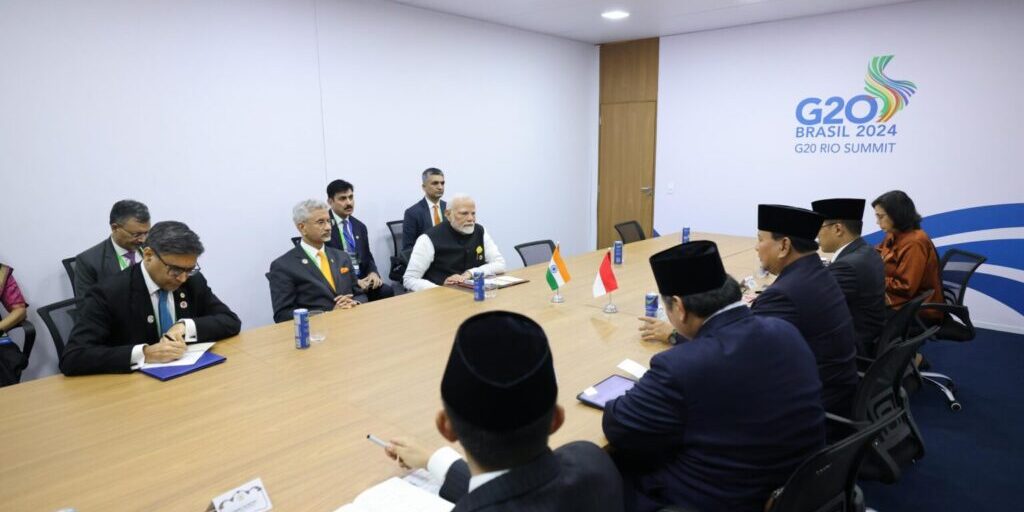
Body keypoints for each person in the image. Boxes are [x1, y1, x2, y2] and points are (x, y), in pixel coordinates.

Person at [604, 241, 825, 512]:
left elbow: (620, 426)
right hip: (796, 491)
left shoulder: (679, 368)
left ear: (679, 306)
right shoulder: (785, 331)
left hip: (717, 500)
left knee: (597, 465)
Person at [382, 311, 624, 511]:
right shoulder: (592, 462)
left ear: (446, 426)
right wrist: (434, 461)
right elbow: (514, 490)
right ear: (557, 419)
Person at [60, 221, 241, 376]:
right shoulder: (109, 293)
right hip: (132, 392)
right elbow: (73, 357)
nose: (183, 278)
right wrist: (145, 353)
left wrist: (184, 326)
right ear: (148, 256)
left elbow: (230, 321)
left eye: (190, 269)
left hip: (186, 382)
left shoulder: (192, 282)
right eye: (175, 270)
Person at [751, 204, 858, 415]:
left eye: (760, 239)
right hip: (840, 386)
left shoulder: (782, 294)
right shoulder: (818, 272)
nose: (756, 247)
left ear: (784, 246)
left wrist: (675, 335)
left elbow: (741, 350)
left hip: (812, 401)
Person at [812, 198, 887, 356]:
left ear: (838, 229)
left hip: (854, 347)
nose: (816, 234)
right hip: (873, 334)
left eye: (819, 227)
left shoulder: (847, 267)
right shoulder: (866, 251)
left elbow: (814, 307)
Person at [268, 200, 359, 323]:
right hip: (316, 333)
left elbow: (359, 294)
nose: (328, 227)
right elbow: (282, 315)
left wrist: (355, 303)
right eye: (320, 222)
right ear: (302, 227)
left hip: (351, 323)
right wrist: (329, 314)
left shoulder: (342, 257)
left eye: (328, 221)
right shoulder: (283, 266)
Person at [403, 194, 505, 292]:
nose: (471, 219)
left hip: (476, 294)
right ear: (448, 214)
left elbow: (499, 264)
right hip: (440, 299)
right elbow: (409, 279)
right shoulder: (428, 239)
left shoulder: (480, 231)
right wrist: (441, 289)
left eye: (473, 213)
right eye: (464, 213)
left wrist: (470, 273)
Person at [871, 190, 943, 323]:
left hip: (916, 308)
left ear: (896, 215)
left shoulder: (914, 242)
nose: (877, 222)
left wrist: (872, 278)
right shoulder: (895, 233)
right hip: (901, 300)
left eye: (880, 217)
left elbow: (906, 287)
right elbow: (879, 251)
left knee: (861, 311)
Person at [324, 179, 394, 301]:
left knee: (386, 291)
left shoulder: (359, 226)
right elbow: (326, 264)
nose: (349, 202)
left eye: (351, 197)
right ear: (330, 201)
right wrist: (354, 281)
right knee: (361, 299)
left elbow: (367, 255)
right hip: (339, 283)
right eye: (343, 198)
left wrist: (373, 273)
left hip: (362, 280)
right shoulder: (324, 226)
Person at [73, 199, 151, 297]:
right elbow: (86, 306)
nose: (143, 240)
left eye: (146, 233)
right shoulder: (88, 261)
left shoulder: (154, 250)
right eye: (136, 234)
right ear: (115, 228)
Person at [402, 167, 447, 252]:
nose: (440, 187)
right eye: (435, 183)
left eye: (442, 183)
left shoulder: (450, 208)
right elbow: (407, 248)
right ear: (424, 187)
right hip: (426, 260)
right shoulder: (412, 213)